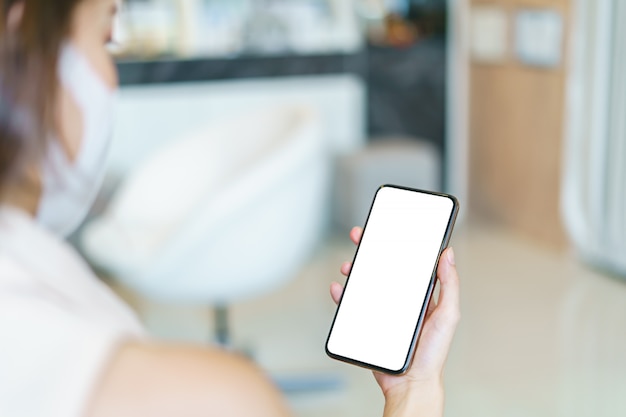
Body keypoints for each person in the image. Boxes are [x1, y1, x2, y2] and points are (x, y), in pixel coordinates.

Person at [0, 1, 461, 416]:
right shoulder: (218, 398)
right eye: (106, 37)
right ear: (24, 43)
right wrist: (415, 395)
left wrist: (411, 387)